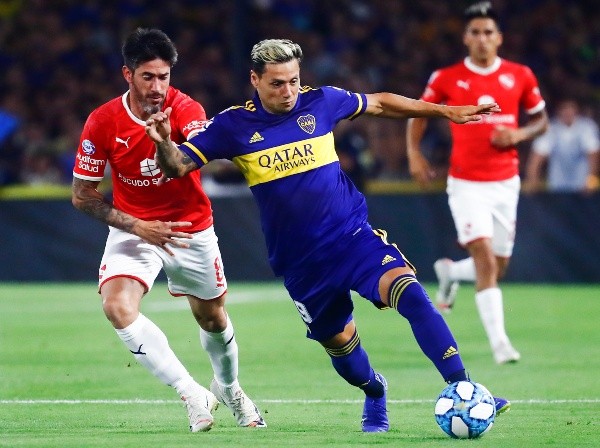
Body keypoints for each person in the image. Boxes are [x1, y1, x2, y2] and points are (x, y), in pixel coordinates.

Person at [145, 37, 509, 433]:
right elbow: (178, 166)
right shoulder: (232, 125)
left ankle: (464, 387)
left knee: (411, 293)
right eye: (277, 84)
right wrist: (164, 140)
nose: (288, 92)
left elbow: (382, 102)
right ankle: (374, 391)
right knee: (343, 350)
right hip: (301, 263)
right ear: (255, 79)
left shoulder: (322, 101)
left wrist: (446, 111)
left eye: (294, 81)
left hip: (352, 237)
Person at [71, 28, 265, 432]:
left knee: (212, 319)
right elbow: (82, 195)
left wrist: (162, 141)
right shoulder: (102, 121)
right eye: (148, 77)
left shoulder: (187, 109)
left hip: (190, 228)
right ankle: (192, 393)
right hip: (134, 229)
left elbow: (188, 161)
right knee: (117, 307)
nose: (158, 87)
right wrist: (138, 225)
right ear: (128, 74)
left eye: (164, 77)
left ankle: (229, 389)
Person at [406, 2, 549, 364]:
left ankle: (451, 272)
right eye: (475, 32)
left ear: (499, 38)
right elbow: (418, 114)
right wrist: (414, 153)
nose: (482, 39)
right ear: (466, 38)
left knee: (498, 267)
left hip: (505, 183)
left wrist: (517, 134)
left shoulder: (520, 75)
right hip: (466, 184)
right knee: (485, 259)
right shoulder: (447, 78)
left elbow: (541, 121)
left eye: (489, 32)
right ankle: (500, 344)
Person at [524, 99, 600, 193]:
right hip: (557, 187)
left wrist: (591, 180)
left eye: (571, 108)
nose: (567, 112)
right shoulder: (550, 129)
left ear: (577, 110)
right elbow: (536, 158)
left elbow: (593, 155)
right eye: (564, 108)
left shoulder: (587, 127)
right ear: (558, 111)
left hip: (582, 187)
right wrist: (533, 179)